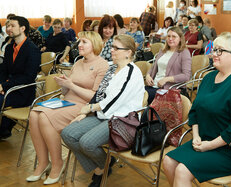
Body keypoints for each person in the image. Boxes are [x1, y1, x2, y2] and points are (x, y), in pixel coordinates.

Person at [163, 32, 231, 187]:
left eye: (220, 50)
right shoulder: (208, 77)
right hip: (205, 140)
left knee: (182, 170)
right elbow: (195, 112)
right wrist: (196, 136)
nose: (214, 54)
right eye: (214, 49)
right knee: (168, 161)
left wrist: (210, 145)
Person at [61, 34, 145, 187]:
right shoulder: (112, 68)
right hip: (104, 115)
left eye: (116, 48)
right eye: (111, 47)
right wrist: (83, 113)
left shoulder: (132, 72)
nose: (111, 50)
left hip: (122, 120)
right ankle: (104, 163)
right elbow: (99, 93)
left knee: (87, 142)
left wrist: (89, 108)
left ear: (128, 52)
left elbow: (115, 100)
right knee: (68, 134)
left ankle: (101, 169)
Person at [26, 31, 109, 185]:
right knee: (34, 114)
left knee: (44, 117)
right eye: (80, 41)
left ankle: (58, 164)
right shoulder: (78, 62)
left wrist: (71, 85)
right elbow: (68, 89)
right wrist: (64, 85)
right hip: (67, 101)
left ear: (95, 45)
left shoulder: (102, 65)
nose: (79, 45)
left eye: (84, 42)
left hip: (85, 107)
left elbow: (95, 97)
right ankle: (43, 163)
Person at [0, 16, 41, 139]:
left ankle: (4, 129)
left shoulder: (32, 49)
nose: (8, 28)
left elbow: (28, 77)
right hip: (8, 88)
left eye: (12, 26)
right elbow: (3, 70)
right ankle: (4, 129)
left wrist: (4, 85)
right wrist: (1, 84)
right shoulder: (9, 48)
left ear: (22, 28)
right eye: (8, 26)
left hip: (22, 92)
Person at [145, 26, 192, 104]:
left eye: (174, 36)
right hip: (154, 85)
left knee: (143, 96)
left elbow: (186, 76)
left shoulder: (184, 52)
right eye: (169, 36)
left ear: (180, 38)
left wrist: (166, 79)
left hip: (168, 89)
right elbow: (153, 67)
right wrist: (148, 76)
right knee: (136, 93)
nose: (170, 39)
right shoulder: (162, 51)